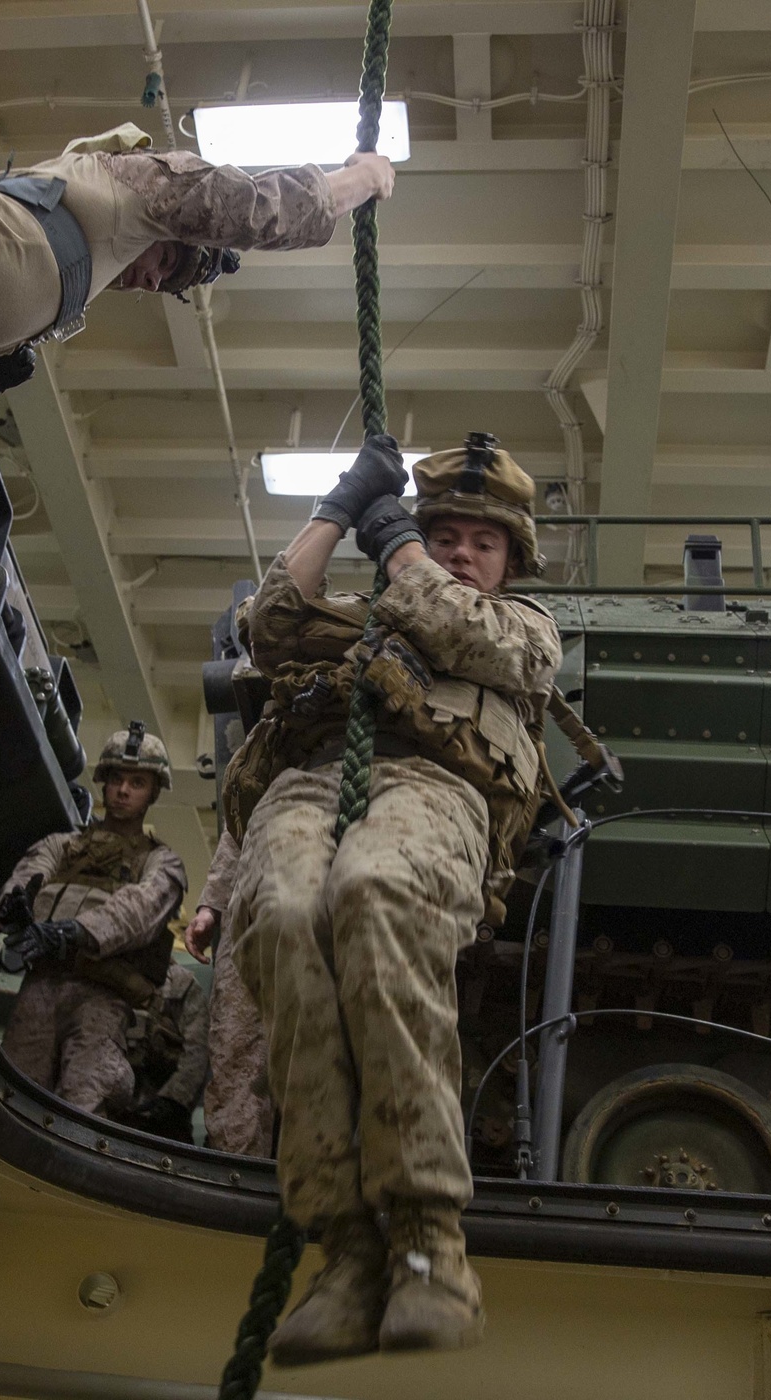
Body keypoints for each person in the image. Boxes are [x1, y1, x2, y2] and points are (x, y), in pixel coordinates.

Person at [225, 434, 562, 1364]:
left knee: (375, 893)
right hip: (313, 782)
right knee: (286, 916)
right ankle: (346, 1249)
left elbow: (465, 631)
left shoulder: (526, 628)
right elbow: (272, 623)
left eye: (480, 543)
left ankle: (429, 1242)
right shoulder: (366, 616)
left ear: (512, 560)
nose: (458, 551)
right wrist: (340, 510)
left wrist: (403, 543)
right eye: (442, 532)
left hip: (437, 791)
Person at [0, 106, 396, 514]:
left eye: (166, 285)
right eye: (169, 262)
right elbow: (261, 209)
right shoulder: (137, 181)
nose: (149, 280)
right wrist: (357, 180)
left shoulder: (42, 220)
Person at [0, 723, 188, 1120]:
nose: (123, 790)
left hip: (104, 998)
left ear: (153, 792)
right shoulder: (62, 845)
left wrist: (74, 931)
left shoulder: (161, 862)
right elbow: (30, 872)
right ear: (103, 783)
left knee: (84, 1100)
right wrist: (13, 907)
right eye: (117, 779)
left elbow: (140, 908)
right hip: (41, 986)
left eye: (137, 782)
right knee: (12, 1098)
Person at [184, 829, 274, 1157]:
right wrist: (210, 907)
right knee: (236, 1057)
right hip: (249, 918)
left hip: (329, 909)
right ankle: (235, 1179)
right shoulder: (251, 776)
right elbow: (238, 827)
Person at [109, 955, 209, 1146]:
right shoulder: (102, 978)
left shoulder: (181, 985)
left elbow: (198, 1052)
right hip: (112, 1112)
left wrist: (173, 1101)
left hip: (163, 1116)